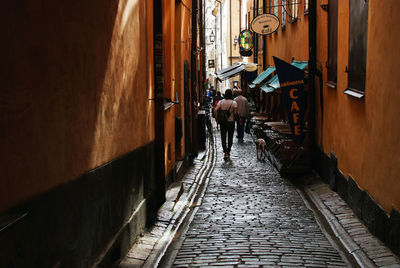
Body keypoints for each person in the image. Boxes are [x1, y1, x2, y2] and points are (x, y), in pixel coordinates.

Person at [214, 89, 238, 160]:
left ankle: (225, 152)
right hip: (231, 122)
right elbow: (235, 113)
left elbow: (215, 110)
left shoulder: (221, 102)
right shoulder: (234, 103)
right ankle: (228, 150)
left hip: (223, 122)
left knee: (223, 137)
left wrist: (217, 119)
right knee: (230, 137)